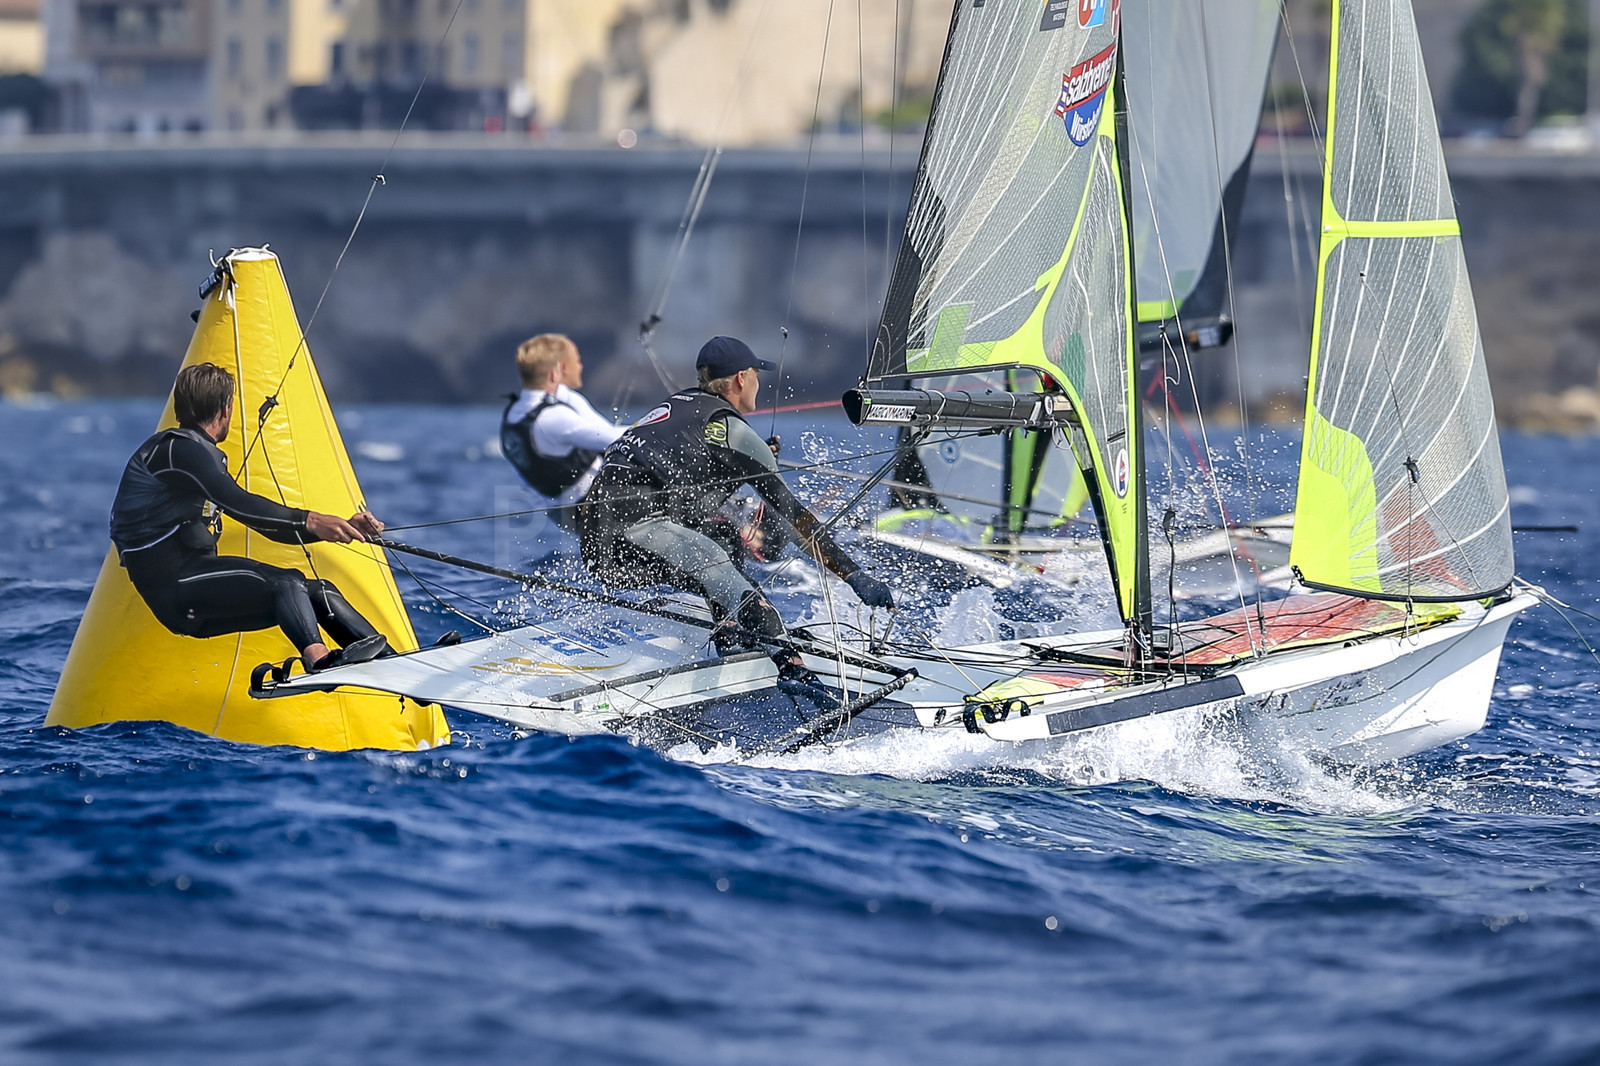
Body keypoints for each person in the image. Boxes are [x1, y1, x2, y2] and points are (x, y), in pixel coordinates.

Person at [578, 335, 894, 649]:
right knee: (725, 570)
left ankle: (729, 634)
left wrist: (742, 465)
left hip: (596, 549)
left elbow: (678, 484)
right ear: (741, 379)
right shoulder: (736, 433)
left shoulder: (675, 406)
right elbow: (794, 517)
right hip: (630, 544)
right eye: (756, 375)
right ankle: (789, 662)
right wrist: (854, 575)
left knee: (724, 536)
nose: (759, 384)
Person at [110, 362, 390, 672]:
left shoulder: (190, 453)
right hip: (176, 588)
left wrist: (341, 528)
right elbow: (240, 504)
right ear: (226, 409)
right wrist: (311, 519)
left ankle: (390, 661)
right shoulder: (177, 450)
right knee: (287, 583)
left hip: (192, 584)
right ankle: (318, 660)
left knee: (318, 592)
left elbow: (265, 526)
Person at [500, 334, 625, 525]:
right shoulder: (552, 417)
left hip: (560, 515)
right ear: (555, 373)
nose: (581, 366)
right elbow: (617, 439)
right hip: (591, 508)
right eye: (578, 361)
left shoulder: (513, 413)